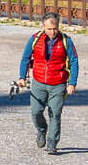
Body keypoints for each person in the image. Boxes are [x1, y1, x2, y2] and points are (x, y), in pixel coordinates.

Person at [18, 12, 79, 154]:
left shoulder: (66, 41)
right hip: (39, 82)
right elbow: (25, 58)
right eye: (49, 29)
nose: (53, 32)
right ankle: (41, 129)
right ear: (43, 27)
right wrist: (22, 77)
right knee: (36, 112)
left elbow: (74, 61)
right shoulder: (35, 38)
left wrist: (72, 83)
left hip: (58, 83)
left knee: (55, 113)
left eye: (55, 28)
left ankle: (52, 142)